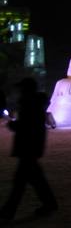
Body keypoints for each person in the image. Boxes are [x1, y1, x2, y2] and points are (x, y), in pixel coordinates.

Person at [0, 77, 58, 220]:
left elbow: (26, 126)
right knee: (35, 179)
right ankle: (49, 203)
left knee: (20, 183)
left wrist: (12, 125)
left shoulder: (29, 105)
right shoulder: (35, 105)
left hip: (27, 147)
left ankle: (8, 212)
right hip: (31, 147)